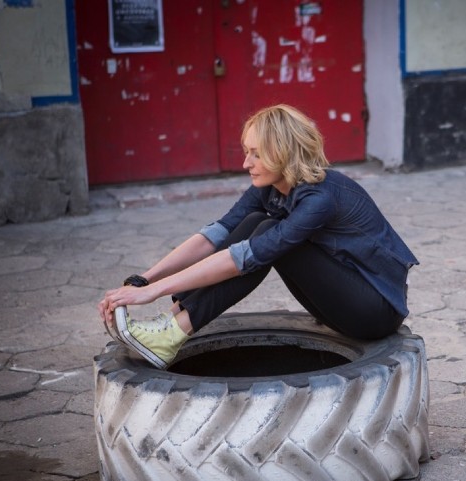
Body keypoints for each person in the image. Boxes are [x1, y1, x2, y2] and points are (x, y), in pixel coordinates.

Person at [98, 104, 418, 369]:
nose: (245, 163)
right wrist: (142, 282)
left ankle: (173, 332)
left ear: (283, 153)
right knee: (253, 221)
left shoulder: (320, 199)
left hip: (374, 312)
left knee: (266, 235)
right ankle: (168, 324)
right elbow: (214, 236)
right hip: (338, 304)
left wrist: (154, 291)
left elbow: (242, 258)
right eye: (246, 152)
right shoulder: (269, 188)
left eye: (256, 154)